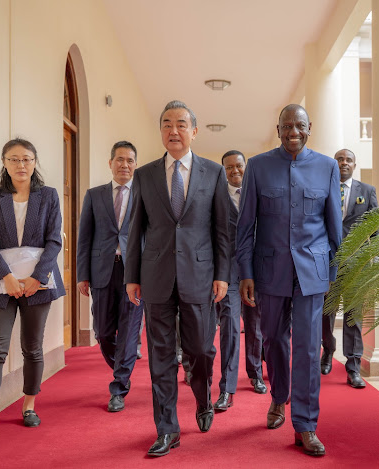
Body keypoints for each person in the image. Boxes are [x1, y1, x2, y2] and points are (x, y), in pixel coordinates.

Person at [125, 100, 230, 457]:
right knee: (160, 356)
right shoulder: (145, 174)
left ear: (194, 131)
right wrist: (132, 276)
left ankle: (203, 397)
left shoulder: (212, 173)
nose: (174, 130)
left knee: (201, 349)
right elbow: (135, 228)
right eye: (167, 124)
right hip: (155, 277)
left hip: (201, 276)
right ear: (161, 131)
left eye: (182, 124)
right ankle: (167, 428)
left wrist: (223, 275)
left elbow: (221, 230)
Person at [236, 104, 342, 457]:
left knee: (309, 349)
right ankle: (279, 397)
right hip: (269, 271)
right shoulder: (258, 166)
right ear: (277, 128)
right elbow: (245, 226)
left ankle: (306, 424)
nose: (293, 131)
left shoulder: (327, 167)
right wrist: (246, 273)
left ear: (309, 128)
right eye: (286, 126)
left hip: (312, 272)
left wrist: (335, 275)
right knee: (273, 340)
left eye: (299, 125)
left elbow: (333, 227)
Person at [0, 138, 65, 441]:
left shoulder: (48, 196)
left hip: (39, 283)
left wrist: (38, 276)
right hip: (0, 283)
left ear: (34, 163)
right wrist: (5, 275)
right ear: (4, 163)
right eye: (14, 159)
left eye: (26, 159)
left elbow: (54, 240)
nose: (21, 165)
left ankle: (29, 405)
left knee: (32, 347)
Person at [76, 141, 145, 412]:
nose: (124, 165)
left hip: (134, 273)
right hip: (102, 270)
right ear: (110, 163)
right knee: (103, 332)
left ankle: (119, 387)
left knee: (128, 332)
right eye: (119, 159)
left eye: (129, 160)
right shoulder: (94, 195)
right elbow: (84, 238)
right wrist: (82, 274)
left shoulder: (143, 195)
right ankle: (122, 365)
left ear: (135, 165)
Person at [213, 150, 267, 413]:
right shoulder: (216, 197)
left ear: (246, 167)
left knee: (255, 326)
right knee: (230, 327)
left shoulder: (257, 192)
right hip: (227, 272)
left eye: (239, 166)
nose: (235, 171)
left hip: (255, 271)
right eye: (229, 167)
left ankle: (255, 373)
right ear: (224, 171)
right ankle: (227, 388)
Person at [320, 149, 377, 389]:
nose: (344, 163)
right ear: (334, 163)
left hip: (356, 263)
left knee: (353, 315)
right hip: (326, 262)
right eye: (340, 159)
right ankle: (328, 350)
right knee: (325, 314)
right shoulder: (323, 188)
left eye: (348, 160)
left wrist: (377, 257)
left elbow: (376, 226)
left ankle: (353, 367)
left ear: (355, 164)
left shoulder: (367, 191)